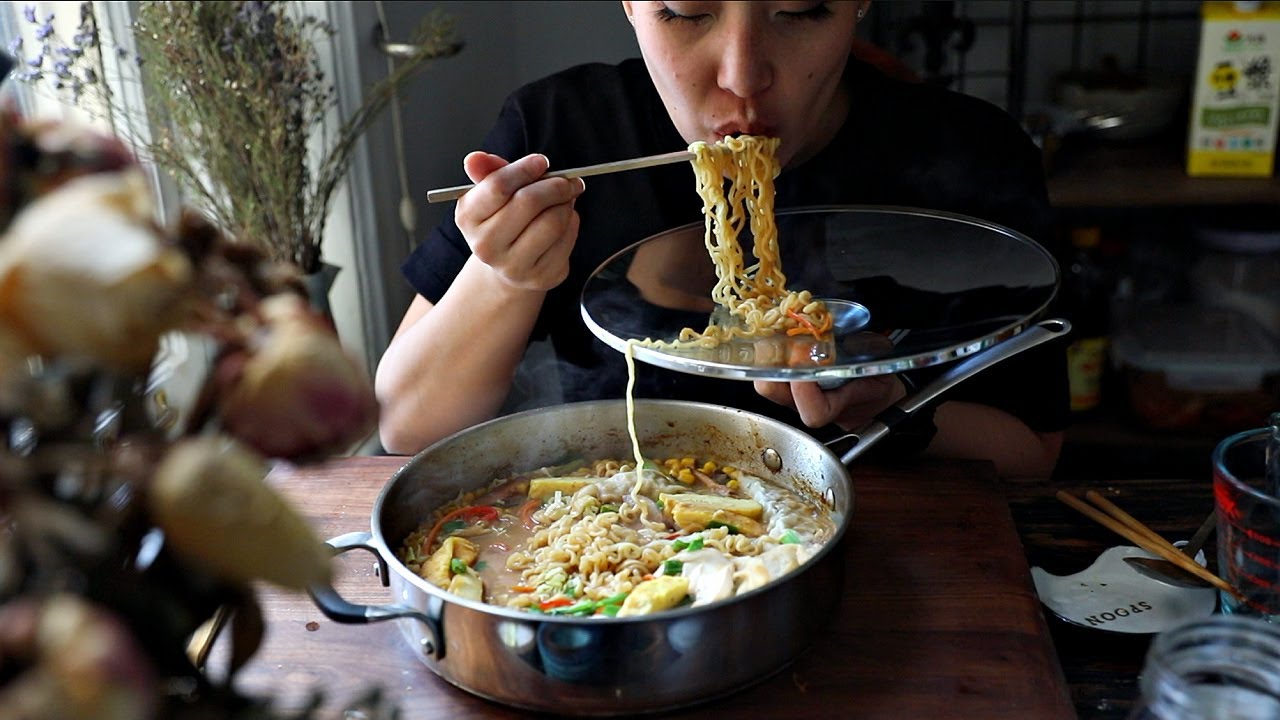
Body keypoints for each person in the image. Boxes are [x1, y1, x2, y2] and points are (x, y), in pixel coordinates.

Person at [376, 0, 1069, 478]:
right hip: (628, 543)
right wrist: (505, 278)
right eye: (685, 11)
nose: (742, 75)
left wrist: (891, 406)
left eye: (800, 11)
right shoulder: (562, 130)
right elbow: (407, 426)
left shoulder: (970, 155)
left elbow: (1032, 452)